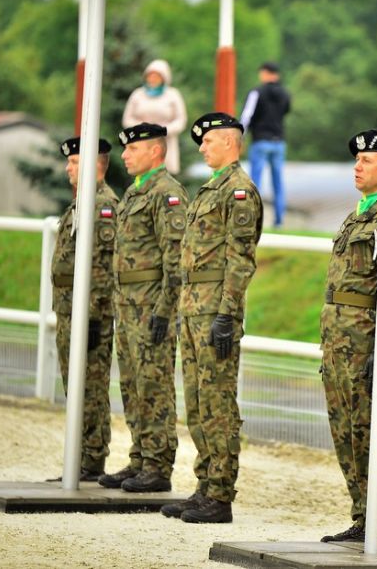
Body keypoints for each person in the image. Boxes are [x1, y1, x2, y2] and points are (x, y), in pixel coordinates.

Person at [157, 112, 263, 524]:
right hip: (193, 307)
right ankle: (204, 485)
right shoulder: (210, 189)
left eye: (208, 141)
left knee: (217, 401)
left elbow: (241, 259)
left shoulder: (238, 191)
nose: (201, 147)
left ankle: (220, 494)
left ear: (229, 143)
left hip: (215, 309)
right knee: (197, 402)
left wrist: (228, 314)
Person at [318, 129, 377, 545]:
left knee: (368, 432)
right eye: (356, 160)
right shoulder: (357, 214)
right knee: (344, 431)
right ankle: (362, 515)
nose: (357, 166)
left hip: (364, 341)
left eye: (367, 160)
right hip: (338, 341)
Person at [98, 122, 188, 493]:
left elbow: (175, 259)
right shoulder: (136, 192)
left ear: (155, 151)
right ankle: (139, 457)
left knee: (154, 385)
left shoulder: (166, 193)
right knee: (132, 384)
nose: (124, 155)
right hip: (128, 305)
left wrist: (165, 311)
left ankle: (157, 464)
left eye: (132, 149)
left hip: (151, 305)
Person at [49, 136, 117, 482]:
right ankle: (79, 457)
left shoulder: (102, 206)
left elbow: (103, 268)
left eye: (74, 162)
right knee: (74, 384)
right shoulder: (82, 203)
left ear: (94, 165)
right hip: (69, 309)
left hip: (89, 314)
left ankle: (91, 459)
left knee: (89, 385)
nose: (68, 168)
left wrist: (91, 316)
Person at [240, 61, 291, 228]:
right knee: (278, 182)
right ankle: (279, 220)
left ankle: (254, 217)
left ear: (264, 73)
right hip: (279, 141)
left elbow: (247, 116)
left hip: (261, 140)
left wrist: (240, 136)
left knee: (255, 181)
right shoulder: (285, 93)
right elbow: (286, 111)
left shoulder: (257, 92)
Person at [122, 59, 188, 175]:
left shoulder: (173, 95)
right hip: (141, 141)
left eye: (156, 76)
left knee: (163, 176)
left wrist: (163, 130)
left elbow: (181, 120)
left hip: (166, 141)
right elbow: (127, 119)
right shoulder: (137, 94)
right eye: (150, 76)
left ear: (164, 78)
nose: (152, 79)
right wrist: (142, 129)